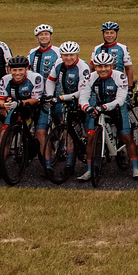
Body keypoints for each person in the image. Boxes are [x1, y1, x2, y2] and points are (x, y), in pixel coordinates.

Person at [77, 52, 138, 181]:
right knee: (90, 137)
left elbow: (121, 99)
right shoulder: (90, 77)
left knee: (127, 137)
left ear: (111, 66)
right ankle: (89, 170)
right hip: (98, 105)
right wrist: (86, 107)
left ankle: (135, 168)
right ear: (95, 67)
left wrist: (105, 107)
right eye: (99, 66)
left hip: (116, 106)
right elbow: (83, 97)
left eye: (106, 66)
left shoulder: (120, 76)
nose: (103, 69)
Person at [45, 41, 90, 180]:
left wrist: (61, 97)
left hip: (85, 97)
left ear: (77, 54)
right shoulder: (58, 64)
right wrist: (50, 95)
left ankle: (92, 160)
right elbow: (50, 80)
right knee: (68, 131)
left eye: (71, 55)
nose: (68, 58)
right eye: (65, 55)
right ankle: (69, 165)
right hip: (67, 98)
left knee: (89, 130)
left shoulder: (83, 67)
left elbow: (83, 90)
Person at [0, 56, 43, 177]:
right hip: (15, 105)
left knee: (41, 133)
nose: (17, 73)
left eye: (20, 70)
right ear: (9, 70)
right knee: (4, 134)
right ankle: (0, 167)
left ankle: (47, 165)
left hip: (34, 105)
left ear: (27, 69)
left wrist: (20, 103)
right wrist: (4, 104)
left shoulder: (36, 78)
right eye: (14, 70)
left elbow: (35, 99)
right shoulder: (5, 79)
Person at [92, 21, 132, 90]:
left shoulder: (123, 48)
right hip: (100, 83)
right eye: (107, 33)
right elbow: (92, 68)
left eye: (112, 33)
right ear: (103, 34)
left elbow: (128, 69)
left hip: (118, 82)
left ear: (116, 33)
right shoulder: (97, 49)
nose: (109, 35)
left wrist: (130, 87)